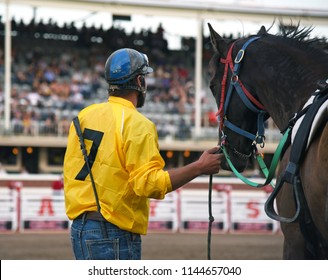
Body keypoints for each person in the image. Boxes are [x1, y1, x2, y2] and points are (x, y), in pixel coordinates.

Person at [63, 48, 223, 260]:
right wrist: (198, 167)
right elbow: (148, 184)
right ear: (139, 81)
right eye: (145, 78)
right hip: (113, 231)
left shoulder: (85, 115)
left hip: (80, 230)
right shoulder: (138, 124)